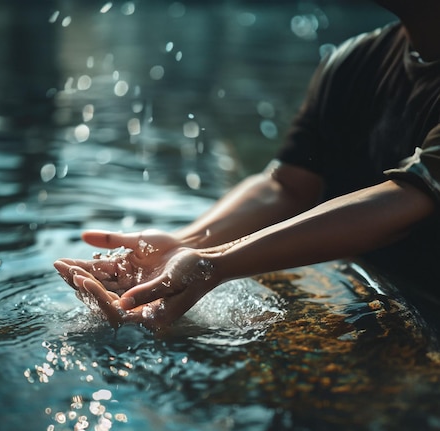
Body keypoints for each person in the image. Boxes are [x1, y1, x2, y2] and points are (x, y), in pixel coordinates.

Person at [54, 0, 440, 333]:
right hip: (373, 301)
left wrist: (215, 264)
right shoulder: (355, 63)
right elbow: (286, 186)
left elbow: (409, 200)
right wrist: (186, 243)